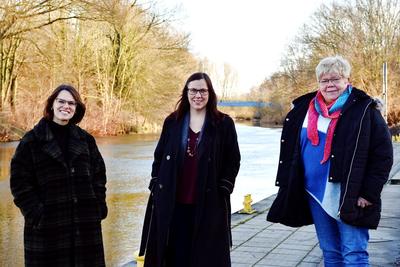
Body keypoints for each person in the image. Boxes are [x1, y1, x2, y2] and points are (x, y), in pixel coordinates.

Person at [267, 55, 393, 266]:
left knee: (354, 253)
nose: (330, 85)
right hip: (315, 194)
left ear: (347, 80)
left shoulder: (364, 110)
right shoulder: (304, 109)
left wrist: (368, 193)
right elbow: (292, 151)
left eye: (336, 79)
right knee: (330, 252)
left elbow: (383, 155)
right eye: (324, 80)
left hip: (350, 194)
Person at [139, 72, 241, 267]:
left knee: (205, 257)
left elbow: (233, 160)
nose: (198, 95)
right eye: (193, 90)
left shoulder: (223, 123)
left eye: (203, 90)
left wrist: (224, 187)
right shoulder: (173, 122)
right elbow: (159, 156)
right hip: (173, 203)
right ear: (186, 93)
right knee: (175, 255)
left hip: (209, 203)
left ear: (210, 93)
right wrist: (155, 182)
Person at [10, 84, 107, 266]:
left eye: (71, 103)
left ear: (77, 108)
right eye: (61, 101)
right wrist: (36, 213)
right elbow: (19, 183)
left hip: (85, 225)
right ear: (52, 104)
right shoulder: (32, 141)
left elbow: (99, 175)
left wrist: (98, 205)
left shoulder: (86, 140)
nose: (66, 106)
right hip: (48, 229)